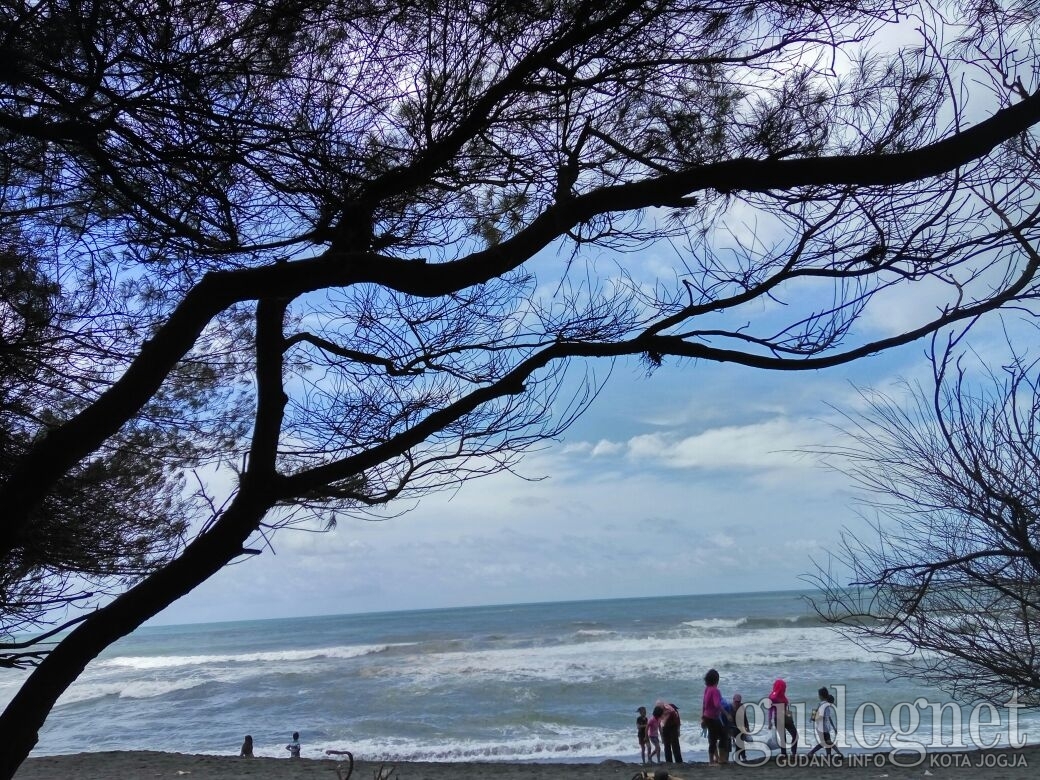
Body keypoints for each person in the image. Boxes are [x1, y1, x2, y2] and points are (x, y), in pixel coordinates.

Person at [807, 687, 843, 759]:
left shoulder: (823, 704)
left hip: (823, 727)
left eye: (819, 695)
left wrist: (813, 718)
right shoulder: (825, 705)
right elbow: (823, 716)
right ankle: (839, 754)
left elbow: (823, 716)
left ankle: (828, 755)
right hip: (823, 727)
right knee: (827, 742)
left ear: (821, 696)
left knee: (826, 742)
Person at [767, 679, 798, 757]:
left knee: (795, 735)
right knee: (783, 738)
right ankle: (784, 754)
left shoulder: (782, 695)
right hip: (778, 718)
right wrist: (769, 721)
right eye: (783, 686)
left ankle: (793, 752)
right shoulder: (772, 696)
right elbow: (770, 709)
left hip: (786, 716)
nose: (785, 688)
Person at [701, 669, 725, 765]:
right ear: (717, 680)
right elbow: (717, 705)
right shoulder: (715, 690)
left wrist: (702, 717)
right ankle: (712, 761)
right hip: (712, 718)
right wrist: (726, 714)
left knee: (713, 738)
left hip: (707, 716)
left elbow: (704, 703)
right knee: (720, 736)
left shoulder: (707, 689)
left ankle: (716, 758)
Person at [730, 693, 752, 763]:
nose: (737, 703)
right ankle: (740, 757)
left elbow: (745, 718)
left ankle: (742, 757)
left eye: (739, 701)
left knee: (741, 742)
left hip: (741, 727)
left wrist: (747, 727)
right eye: (736, 701)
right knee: (739, 742)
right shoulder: (730, 707)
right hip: (733, 727)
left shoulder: (742, 706)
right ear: (733, 700)